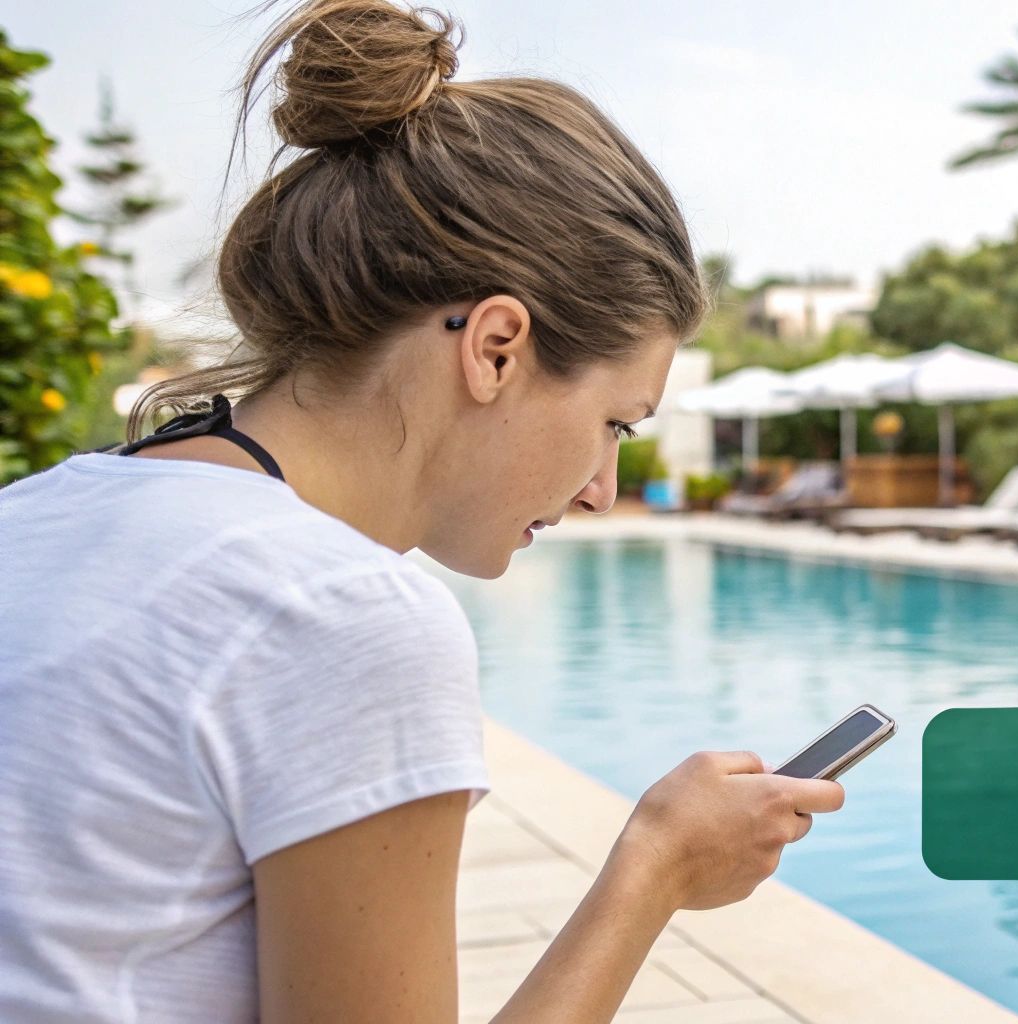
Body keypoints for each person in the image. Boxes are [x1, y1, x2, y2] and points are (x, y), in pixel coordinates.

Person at [0, 2, 842, 1020]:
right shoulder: (340, 614)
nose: (601, 491)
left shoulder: (33, 515)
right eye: (617, 424)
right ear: (495, 348)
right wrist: (652, 871)